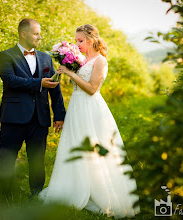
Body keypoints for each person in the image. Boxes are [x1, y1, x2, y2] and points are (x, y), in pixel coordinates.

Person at [39, 24, 139, 218]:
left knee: (93, 147)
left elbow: (92, 88)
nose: (77, 44)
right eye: (75, 40)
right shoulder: (81, 60)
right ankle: (72, 186)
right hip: (76, 107)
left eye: (81, 40)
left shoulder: (100, 61)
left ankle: (98, 191)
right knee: (73, 145)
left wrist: (70, 73)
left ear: (92, 40)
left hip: (91, 108)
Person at [0, 18, 66, 200]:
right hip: (13, 117)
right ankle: (3, 197)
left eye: (39, 33)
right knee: (7, 158)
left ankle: (36, 196)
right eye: (36, 33)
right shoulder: (6, 56)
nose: (39, 37)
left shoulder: (46, 58)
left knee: (37, 160)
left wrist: (59, 115)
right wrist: (38, 83)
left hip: (40, 118)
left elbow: (55, 87)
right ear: (23, 34)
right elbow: (11, 81)